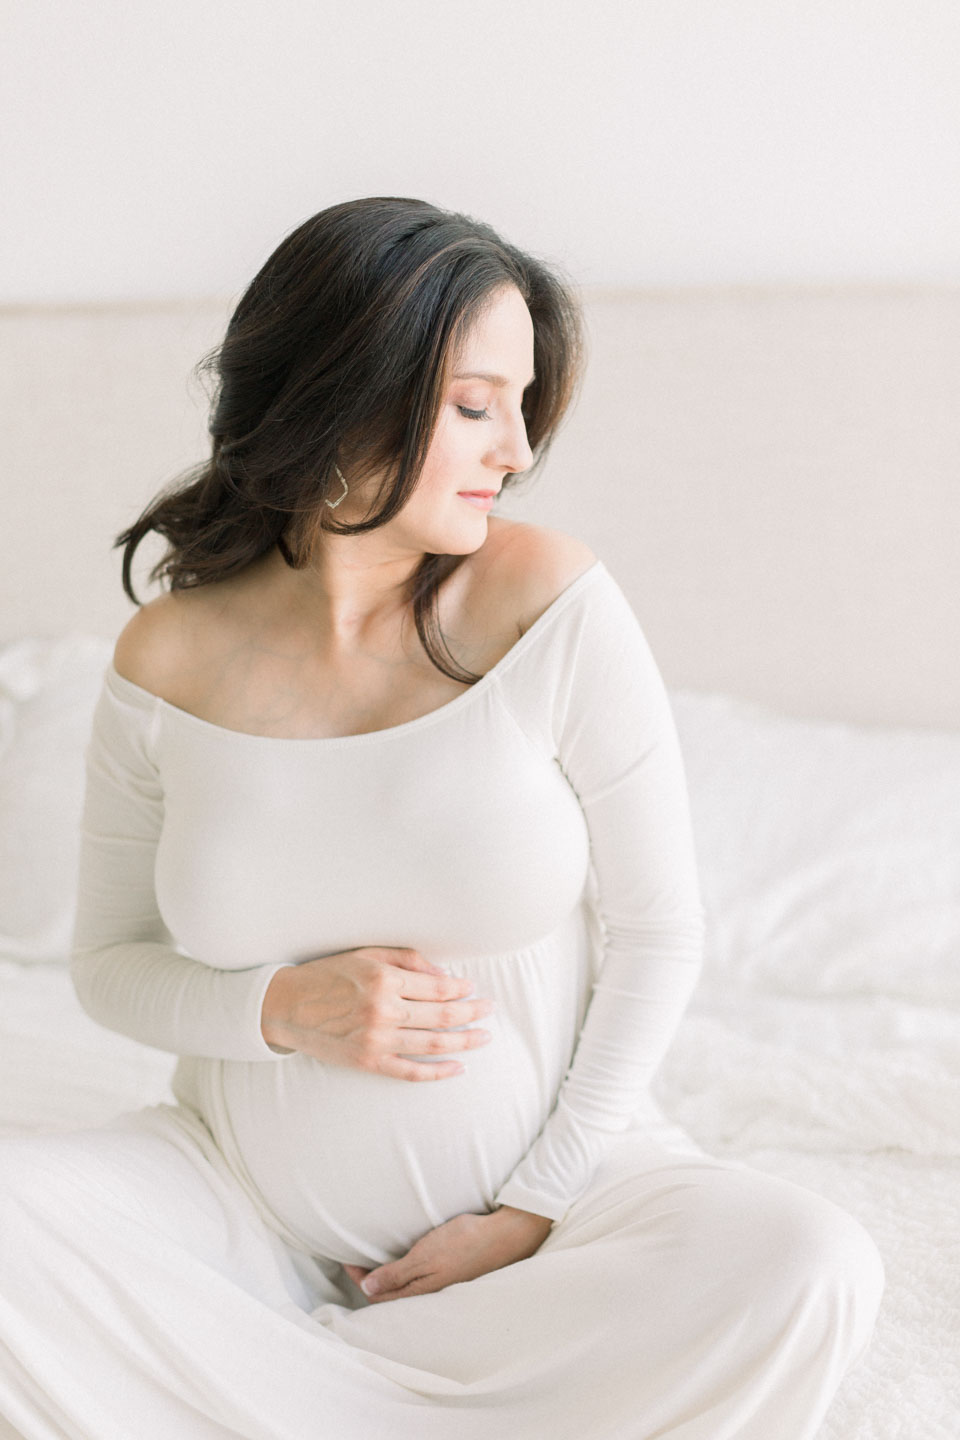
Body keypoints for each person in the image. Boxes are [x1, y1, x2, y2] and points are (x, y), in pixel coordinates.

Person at [0, 197, 884, 1440]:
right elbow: (107, 966)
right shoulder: (169, 656)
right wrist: (276, 1008)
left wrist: (531, 1209)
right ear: (338, 393)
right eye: (477, 405)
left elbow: (658, 931)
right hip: (239, 1214)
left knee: (809, 1265)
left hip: (557, 1224)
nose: (516, 450)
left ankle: (293, 1395)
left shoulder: (544, 600)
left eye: (522, 407)